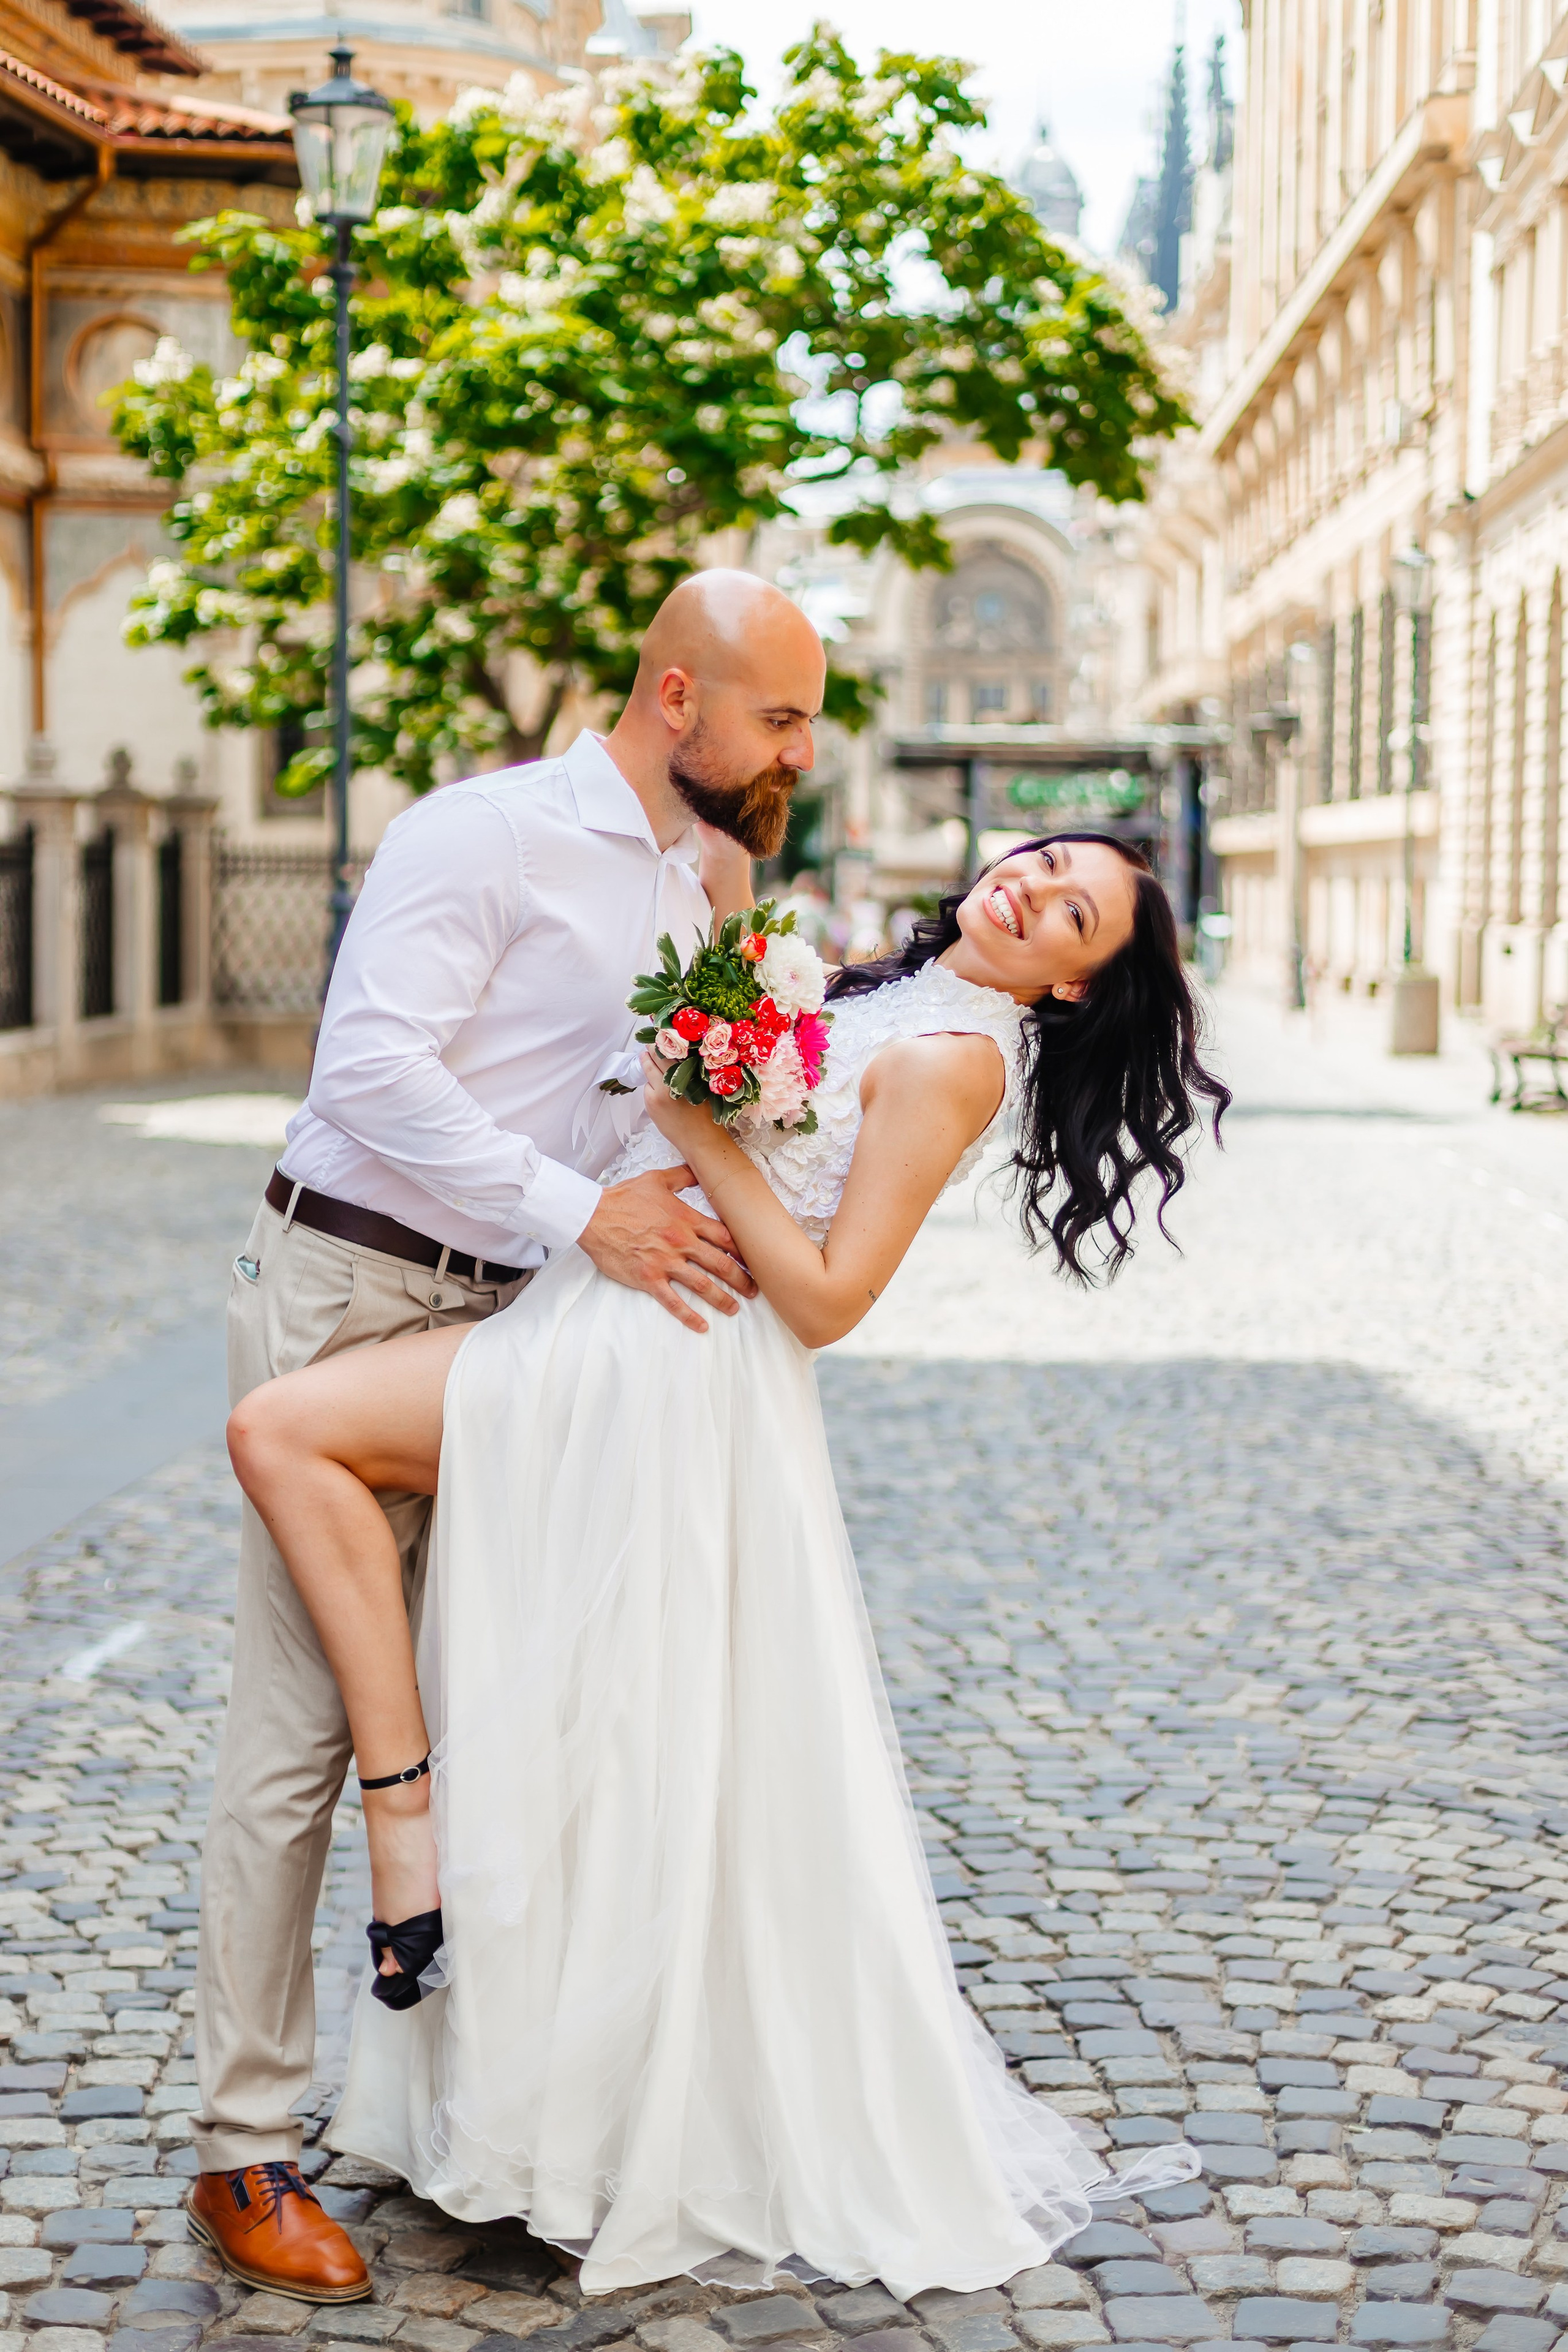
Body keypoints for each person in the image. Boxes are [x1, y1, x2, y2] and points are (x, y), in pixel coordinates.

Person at [225, 834, 1228, 2297]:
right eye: (1046, 860)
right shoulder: (885, 989)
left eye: (1068, 912)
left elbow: (827, 1298)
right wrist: (724, 954)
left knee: (286, 1431)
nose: (1029, 887)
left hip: (663, 1357)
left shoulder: (956, 1057)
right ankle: (529, 2096)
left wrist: (693, 1127)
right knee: (592, 1741)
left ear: (1072, 986)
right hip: (604, 1320)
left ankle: (405, 1807)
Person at [187, 570, 827, 2301]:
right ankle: (241, 2148)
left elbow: (643, 1106)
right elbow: (370, 1070)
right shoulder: (482, 835)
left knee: (502, 1702)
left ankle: (473, 2115)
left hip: (524, 1332)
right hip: (347, 1284)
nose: (799, 750)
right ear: (677, 697)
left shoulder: (700, 878)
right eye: (777, 717)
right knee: (302, 1727)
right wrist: (584, 1213)